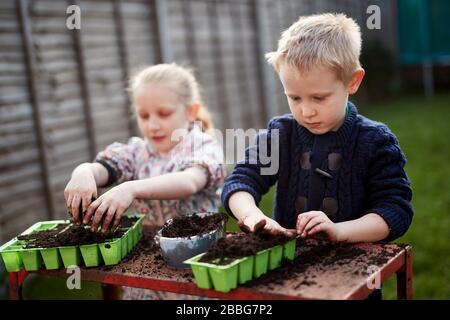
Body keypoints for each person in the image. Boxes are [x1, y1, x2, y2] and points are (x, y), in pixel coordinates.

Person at [221, 13, 413, 245]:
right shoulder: (281, 134)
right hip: (288, 265)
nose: (306, 111)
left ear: (353, 81)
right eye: (295, 98)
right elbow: (241, 181)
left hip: (352, 268)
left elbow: (395, 210)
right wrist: (252, 215)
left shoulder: (375, 141)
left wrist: (339, 231)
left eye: (319, 98)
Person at [64, 63, 226, 299]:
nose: (152, 125)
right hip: (145, 270)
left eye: (164, 113)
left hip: (194, 267)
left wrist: (132, 188)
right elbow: (103, 169)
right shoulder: (136, 152)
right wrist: (83, 173)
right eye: (143, 115)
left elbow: (190, 181)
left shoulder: (202, 146)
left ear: (191, 111)